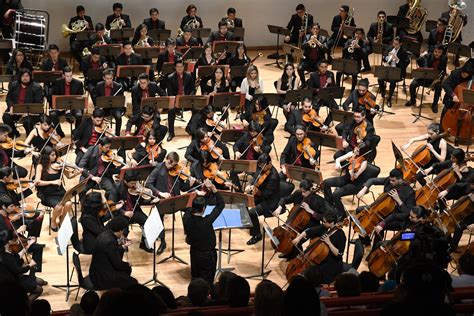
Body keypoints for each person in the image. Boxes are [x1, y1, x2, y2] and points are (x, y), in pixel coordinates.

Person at [146, 152, 196, 254]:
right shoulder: (158, 168)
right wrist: (160, 193)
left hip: (176, 199)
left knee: (191, 208)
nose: (172, 166)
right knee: (158, 216)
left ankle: (189, 233)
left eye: (174, 164)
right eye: (170, 163)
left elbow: (183, 187)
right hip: (163, 200)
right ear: (166, 158)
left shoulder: (177, 171)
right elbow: (148, 183)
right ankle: (162, 241)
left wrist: (190, 184)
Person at [183, 179, 224, 285]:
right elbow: (221, 205)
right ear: (203, 209)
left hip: (194, 253)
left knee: (195, 277)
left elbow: (189, 207)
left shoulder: (186, 217)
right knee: (207, 280)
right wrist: (214, 190)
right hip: (207, 256)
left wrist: (200, 194)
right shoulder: (206, 221)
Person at [292, 210, 347, 284]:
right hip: (321, 259)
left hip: (332, 264)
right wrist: (298, 238)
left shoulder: (340, 235)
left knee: (313, 276)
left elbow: (339, 254)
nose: (323, 223)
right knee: (311, 271)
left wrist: (329, 243)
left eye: (325, 222)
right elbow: (310, 231)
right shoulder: (325, 228)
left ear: (332, 223)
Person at [35, 146, 79, 231]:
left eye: (55, 155)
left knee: (68, 204)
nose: (55, 157)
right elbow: (37, 182)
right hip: (46, 193)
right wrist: (52, 182)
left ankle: (62, 219)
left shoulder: (59, 165)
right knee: (58, 207)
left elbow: (69, 176)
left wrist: (77, 172)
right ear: (46, 156)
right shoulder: (40, 166)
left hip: (59, 191)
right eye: (52, 155)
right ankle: (53, 221)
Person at [89, 216, 137, 290]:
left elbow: (111, 252)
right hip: (102, 278)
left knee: (126, 272)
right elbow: (118, 264)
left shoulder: (106, 233)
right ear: (121, 231)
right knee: (133, 282)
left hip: (96, 271)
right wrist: (128, 264)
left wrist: (123, 246)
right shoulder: (110, 241)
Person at [117, 170, 159, 253]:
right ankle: (121, 245)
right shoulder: (117, 188)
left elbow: (141, 202)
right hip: (122, 212)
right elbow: (112, 205)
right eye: (132, 184)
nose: (134, 186)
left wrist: (151, 201)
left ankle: (144, 244)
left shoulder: (135, 188)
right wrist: (124, 213)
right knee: (124, 228)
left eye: (135, 183)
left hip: (134, 211)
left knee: (147, 223)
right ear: (125, 181)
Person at [324, 145, 369, 219]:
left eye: (358, 151)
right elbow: (338, 159)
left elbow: (355, 177)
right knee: (326, 183)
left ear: (362, 152)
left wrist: (353, 168)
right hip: (345, 179)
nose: (355, 151)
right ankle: (329, 207)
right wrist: (337, 164)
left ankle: (342, 214)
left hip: (355, 184)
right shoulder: (352, 154)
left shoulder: (364, 163)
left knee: (336, 194)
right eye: (355, 148)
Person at [246, 153, 280, 245]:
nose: (261, 169)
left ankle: (257, 235)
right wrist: (250, 184)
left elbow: (265, 195)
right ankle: (248, 222)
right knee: (245, 199)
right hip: (262, 195)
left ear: (269, 163)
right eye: (260, 166)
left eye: (263, 166)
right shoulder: (262, 167)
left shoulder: (274, 177)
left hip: (270, 202)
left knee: (252, 213)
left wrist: (257, 192)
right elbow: (255, 177)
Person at [405, 45, 447, 113]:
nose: (437, 54)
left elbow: (443, 70)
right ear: (433, 51)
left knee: (439, 87)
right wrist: (421, 56)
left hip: (434, 79)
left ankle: (435, 104)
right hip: (424, 77)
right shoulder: (428, 56)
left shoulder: (444, 58)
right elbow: (419, 61)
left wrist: (439, 79)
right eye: (435, 51)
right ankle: (412, 100)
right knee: (412, 85)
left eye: (439, 52)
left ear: (442, 53)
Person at [4, 68, 44, 137]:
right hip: (16, 109)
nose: (25, 78)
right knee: (6, 117)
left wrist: (28, 112)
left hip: (30, 112)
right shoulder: (14, 85)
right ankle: (14, 133)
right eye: (23, 76)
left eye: (27, 76)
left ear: (30, 77)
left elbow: (38, 103)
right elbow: (9, 98)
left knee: (28, 121)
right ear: (20, 77)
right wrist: (11, 107)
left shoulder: (37, 87)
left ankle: (30, 138)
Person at [78, 136, 119, 202]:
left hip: (103, 177)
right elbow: (81, 165)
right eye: (106, 147)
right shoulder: (91, 150)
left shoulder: (108, 154)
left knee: (112, 190)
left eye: (109, 147)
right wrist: (92, 177)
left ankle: (108, 205)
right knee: (82, 190)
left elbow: (111, 169)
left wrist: (113, 161)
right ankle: (84, 206)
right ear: (100, 145)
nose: (108, 149)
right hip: (90, 176)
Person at [165, 59, 196, 141]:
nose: (179, 68)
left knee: (197, 109)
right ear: (175, 67)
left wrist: (189, 97)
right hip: (176, 101)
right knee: (171, 110)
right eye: (177, 67)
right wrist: (176, 101)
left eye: (181, 66)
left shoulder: (189, 75)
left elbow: (193, 89)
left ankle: (190, 127)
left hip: (187, 100)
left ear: (183, 67)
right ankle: (171, 132)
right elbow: (170, 93)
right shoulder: (170, 77)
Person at [378, 37, 409, 107]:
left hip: (398, 71)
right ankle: (383, 91)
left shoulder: (404, 52)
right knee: (380, 79)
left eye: (396, 44)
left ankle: (389, 98)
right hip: (388, 69)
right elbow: (384, 56)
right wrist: (387, 58)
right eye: (394, 43)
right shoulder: (390, 48)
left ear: (401, 44)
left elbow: (404, 65)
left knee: (392, 81)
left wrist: (397, 59)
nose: (394, 45)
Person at [51, 66, 85, 131]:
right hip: (61, 106)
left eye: (71, 75)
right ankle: (60, 133)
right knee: (53, 115)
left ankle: (76, 132)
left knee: (79, 115)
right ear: (63, 76)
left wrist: (71, 108)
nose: (69, 78)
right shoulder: (58, 82)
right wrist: (59, 106)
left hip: (74, 106)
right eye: (67, 76)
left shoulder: (78, 83)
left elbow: (80, 99)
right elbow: (54, 96)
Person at [94, 69, 124, 136]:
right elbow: (96, 98)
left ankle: (117, 134)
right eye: (107, 78)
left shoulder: (118, 86)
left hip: (115, 107)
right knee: (97, 115)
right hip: (103, 107)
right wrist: (99, 105)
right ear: (104, 78)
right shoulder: (99, 85)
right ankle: (100, 134)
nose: (109, 80)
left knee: (118, 116)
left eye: (111, 78)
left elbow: (120, 100)